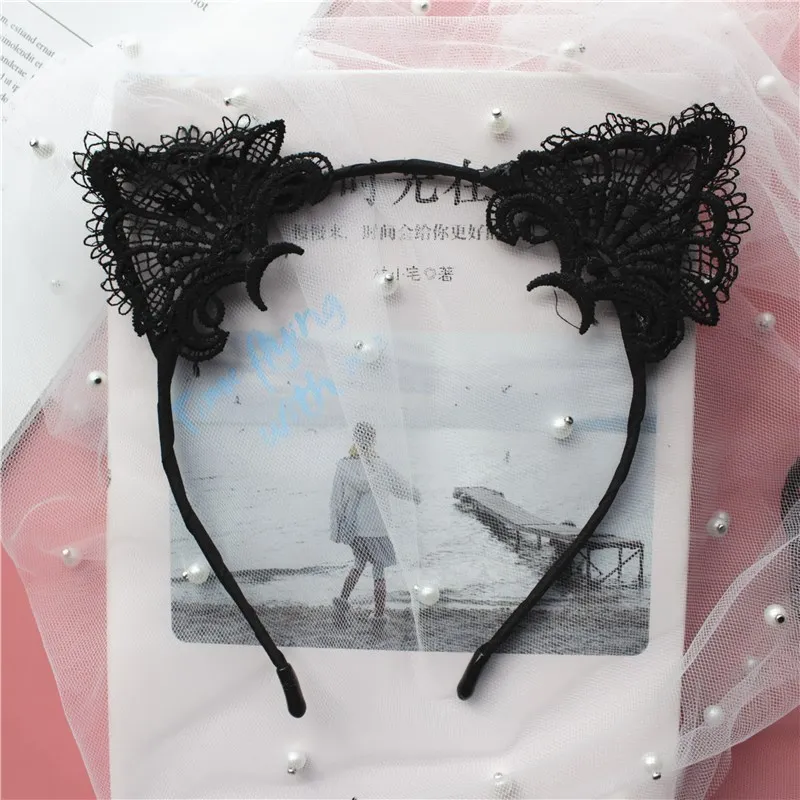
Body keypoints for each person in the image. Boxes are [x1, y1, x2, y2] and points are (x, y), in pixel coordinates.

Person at [329, 422, 421, 632]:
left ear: (355, 438)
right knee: (378, 570)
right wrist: (415, 495)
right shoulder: (380, 465)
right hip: (379, 527)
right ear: (372, 440)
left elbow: (336, 499)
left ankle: (342, 601)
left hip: (357, 528)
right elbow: (399, 485)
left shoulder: (344, 466)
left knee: (358, 564)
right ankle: (378, 615)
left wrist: (336, 527)